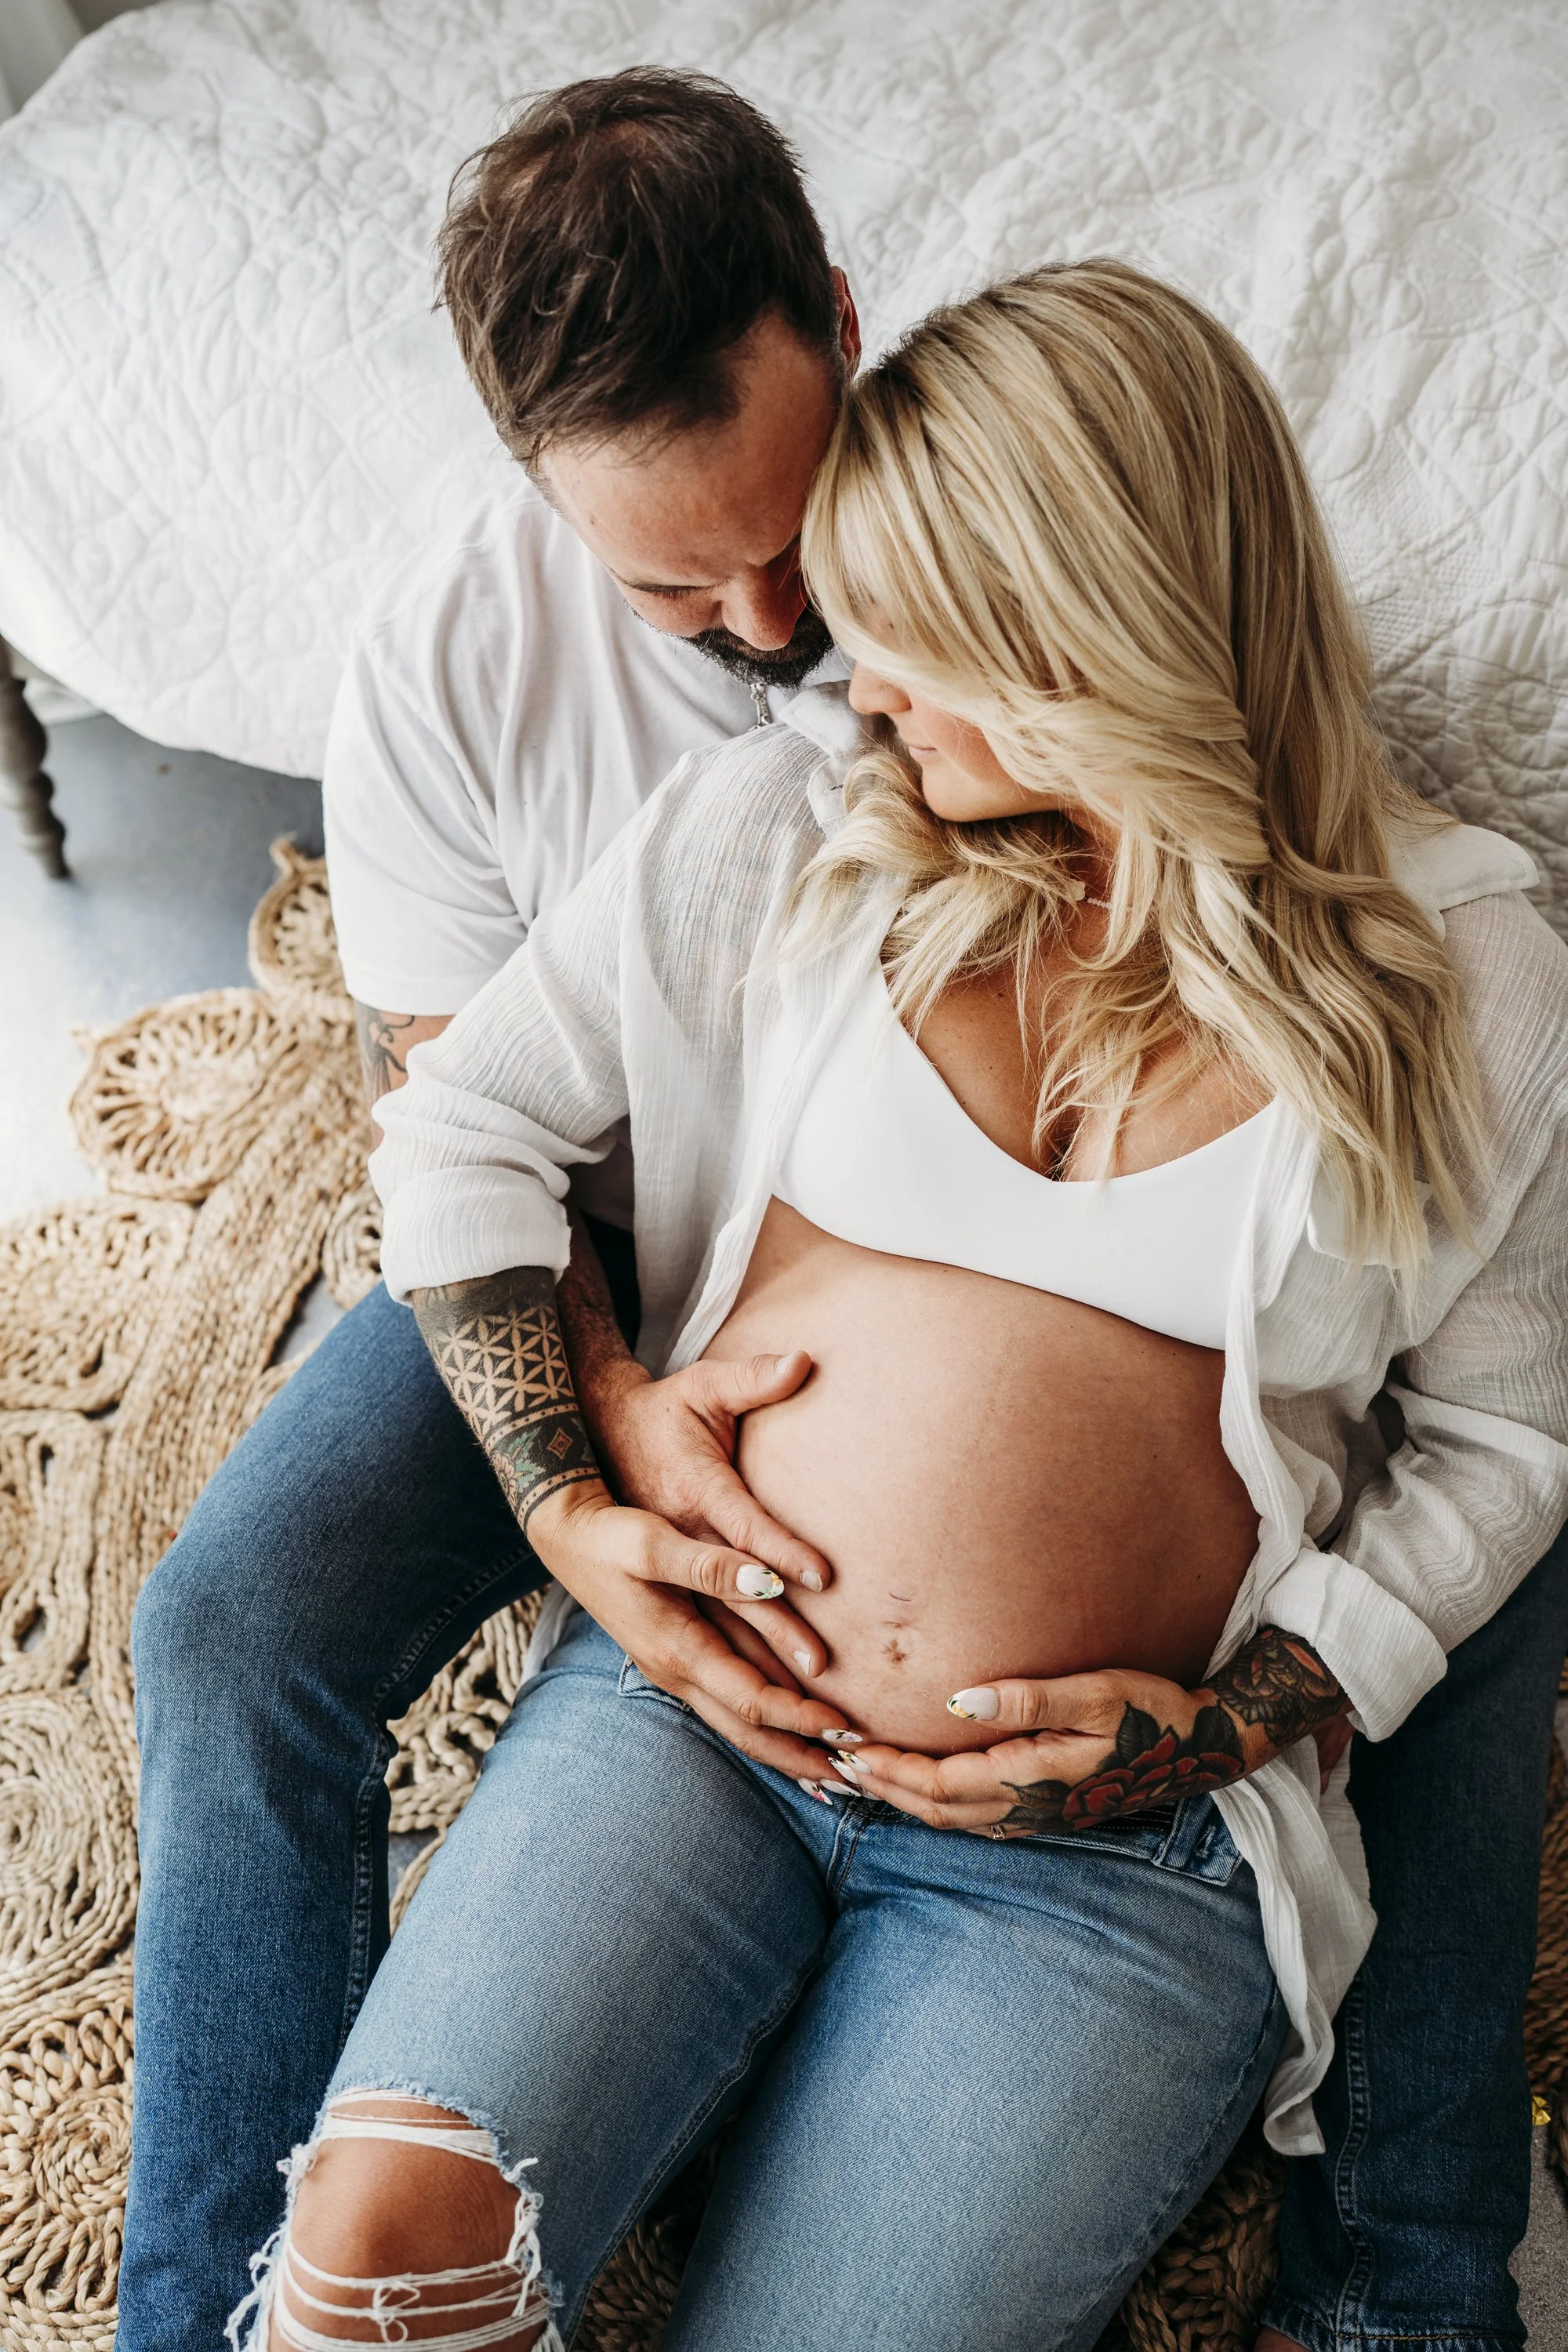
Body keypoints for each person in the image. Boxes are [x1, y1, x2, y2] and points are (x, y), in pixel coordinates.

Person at [122, 70, 1568, 2352]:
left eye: (885, 612)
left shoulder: (1464, 971)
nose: (826, 667)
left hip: (1098, 1870)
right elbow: (456, 1119)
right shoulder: (784, 827)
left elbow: (1500, 1444)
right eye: (705, 590)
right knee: (373, 2241)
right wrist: (578, 1473)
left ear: (1084, 636)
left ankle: (1413, 2266)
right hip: (699, 1719)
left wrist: (1228, 1723)